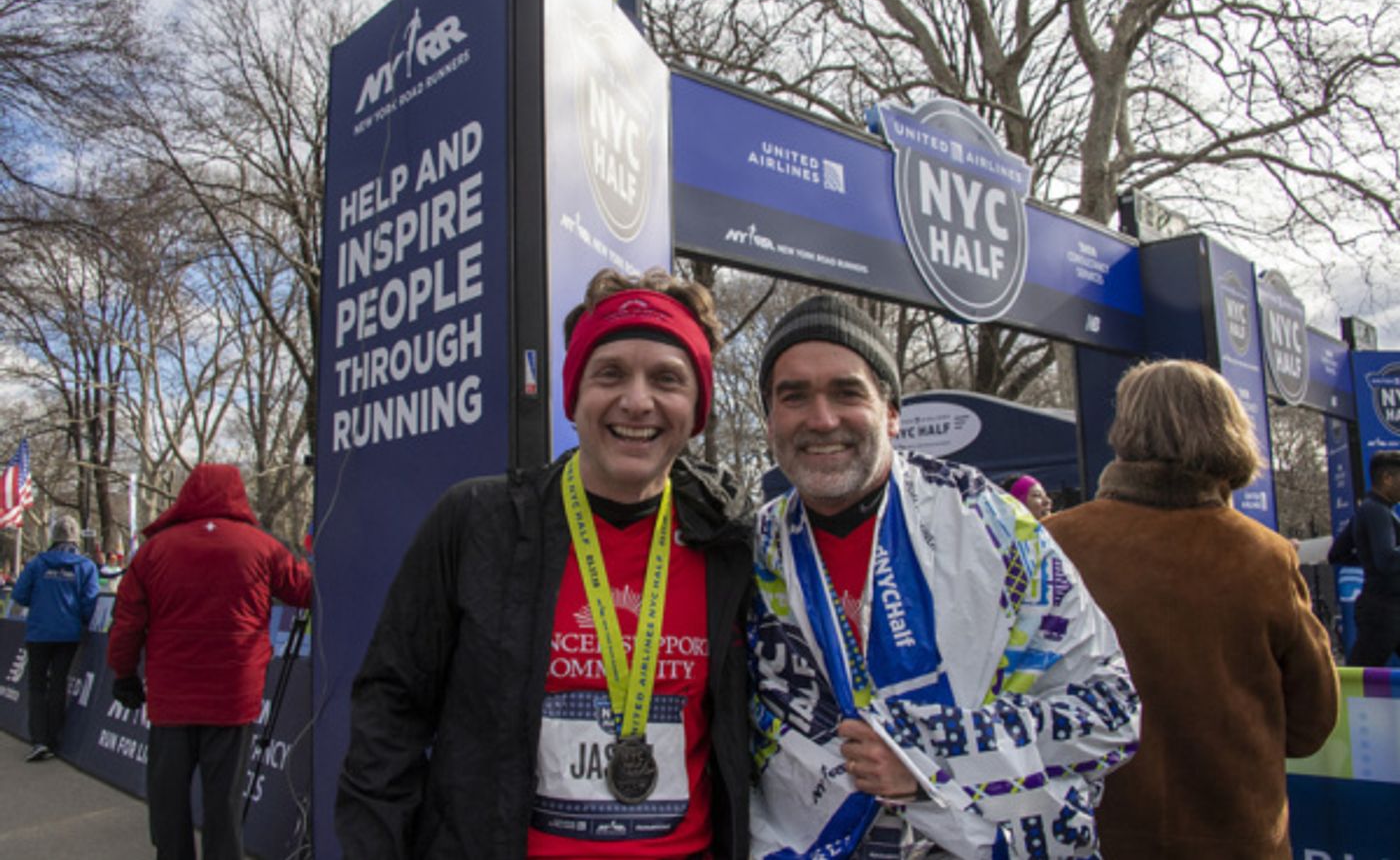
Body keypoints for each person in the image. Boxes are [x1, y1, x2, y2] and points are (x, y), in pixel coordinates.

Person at [336, 269, 753, 859]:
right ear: (574, 394)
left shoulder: (728, 547)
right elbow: (390, 710)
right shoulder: (477, 522)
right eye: (610, 373)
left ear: (697, 407)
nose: (637, 401)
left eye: (667, 379)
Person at [749, 295, 1140, 858]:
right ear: (770, 419)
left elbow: (1111, 713)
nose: (822, 418)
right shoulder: (757, 551)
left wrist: (931, 755)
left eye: (847, 392)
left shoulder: (990, 523)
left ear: (891, 411)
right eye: (794, 397)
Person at [1044, 359, 1339, 858]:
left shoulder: (1054, 543)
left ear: (1126, 429)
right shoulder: (1264, 556)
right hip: (1235, 838)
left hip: (1091, 836)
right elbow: (1312, 722)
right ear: (1228, 430)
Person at [107, 464, 312, 860]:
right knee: (225, 803)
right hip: (233, 697)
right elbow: (305, 592)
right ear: (237, 496)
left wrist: (123, 673)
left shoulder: (155, 550)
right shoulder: (262, 546)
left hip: (172, 698)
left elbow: (127, 620)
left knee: (169, 800)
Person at [12, 515, 99, 762]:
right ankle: (53, 738)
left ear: (53, 536)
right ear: (75, 538)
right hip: (68, 633)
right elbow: (89, 603)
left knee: (37, 685)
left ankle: (39, 740)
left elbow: (19, 595)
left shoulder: (38, 563)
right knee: (59, 683)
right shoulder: (85, 566)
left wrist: (40, 602)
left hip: (39, 632)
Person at [1342, 449, 1400, 666]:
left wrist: (1369, 560)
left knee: (1361, 674)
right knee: (1360, 676)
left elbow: (1338, 553)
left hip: (1382, 607)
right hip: (1384, 612)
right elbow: (1386, 559)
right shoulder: (1377, 511)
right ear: (1387, 478)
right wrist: (1374, 561)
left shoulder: (1366, 511)